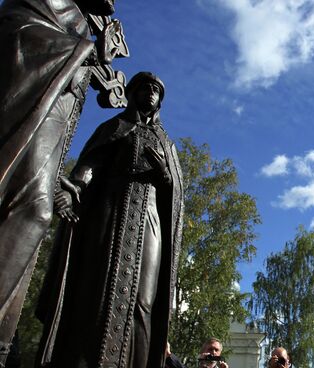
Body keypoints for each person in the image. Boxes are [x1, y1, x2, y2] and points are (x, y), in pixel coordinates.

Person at [35, 72, 184, 368]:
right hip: (110, 210)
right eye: (144, 87)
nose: (150, 92)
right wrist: (76, 186)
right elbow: (91, 163)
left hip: (150, 220)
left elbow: (176, 193)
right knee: (97, 286)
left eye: (156, 89)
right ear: (133, 93)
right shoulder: (115, 127)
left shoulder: (166, 143)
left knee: (144, 300)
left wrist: (164, 174)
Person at [0, 0, 116, 363]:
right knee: (35, 213)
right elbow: (19, 38)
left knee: (34, 221)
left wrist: (58, 179)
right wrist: (87, 54)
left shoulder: (82, 22)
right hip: (26, 120)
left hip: (48, 136)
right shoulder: (48, 2)